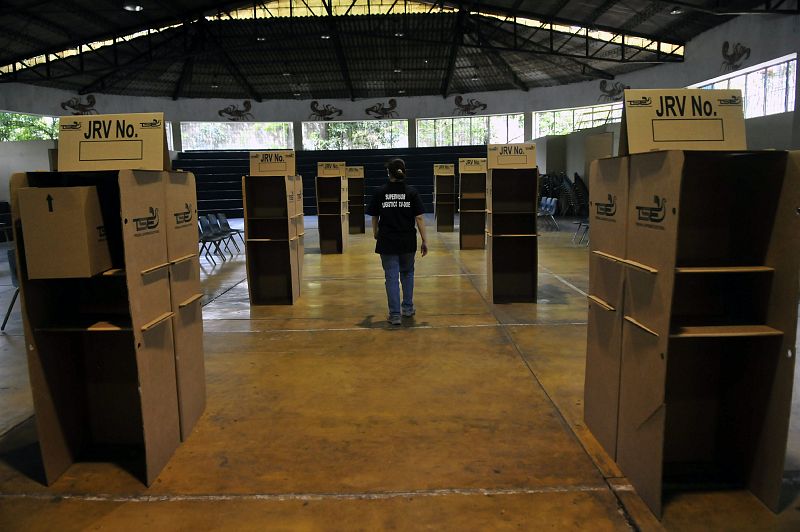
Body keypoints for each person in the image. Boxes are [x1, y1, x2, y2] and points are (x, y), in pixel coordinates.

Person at [366, 158, 428, 325]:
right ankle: (407, 308)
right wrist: (424, 240)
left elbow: (374, 216)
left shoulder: (380, 192)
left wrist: (375, 232)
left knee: (391, 277)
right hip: (407, 241)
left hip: (387, 241)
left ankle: (394, 315)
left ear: (389, 173)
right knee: (407, 273)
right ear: (403, 172)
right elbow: (419, 218)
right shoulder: (411, 192)